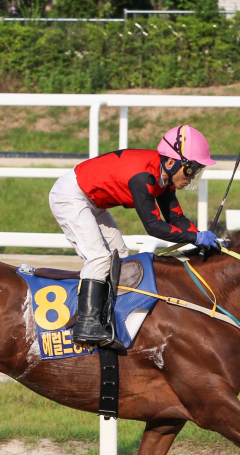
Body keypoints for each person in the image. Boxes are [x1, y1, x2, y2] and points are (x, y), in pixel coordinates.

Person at [48, 124, 221, 345]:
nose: (192, 176)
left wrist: (204, 239)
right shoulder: (143, 177)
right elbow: (153, 226)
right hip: (71, 195)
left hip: (92, 201)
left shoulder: (164, 177)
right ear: (171, 162)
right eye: (191, 170)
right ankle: (86, 325)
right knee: (99, 257)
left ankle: (109, 316)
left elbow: (176, 219)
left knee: (120, 256)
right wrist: (194, 238)